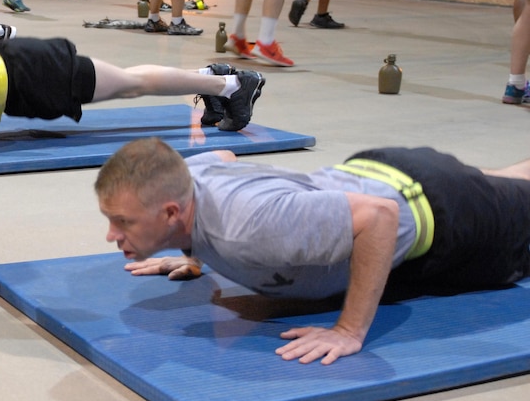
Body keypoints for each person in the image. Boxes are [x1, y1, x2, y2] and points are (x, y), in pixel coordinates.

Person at [96, 139, 530, 365]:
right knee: (509, 183)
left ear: (172, 213)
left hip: (446, 214)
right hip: (378, 170)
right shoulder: (185, 179)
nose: (112, 235)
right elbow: (223, 158)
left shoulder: (253, 227)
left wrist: (349, 331)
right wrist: (192, 252)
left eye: (124, 222)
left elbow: (378, 217)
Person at [0, 39, 264, 158]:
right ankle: (215, 80)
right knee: (130, 82)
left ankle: (231, 86)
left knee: (131, 84)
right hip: (26, 71)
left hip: (36, 74)